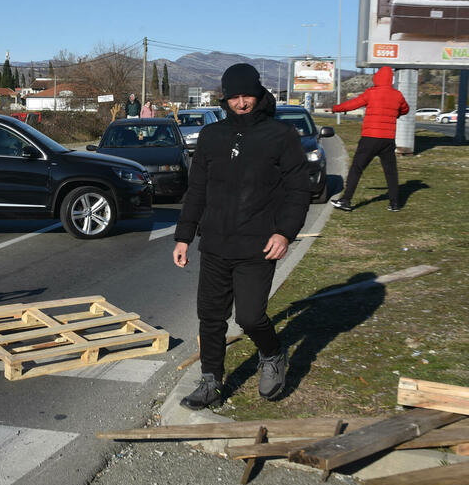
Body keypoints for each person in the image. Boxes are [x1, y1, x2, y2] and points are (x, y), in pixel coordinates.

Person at [172, 63, 311, 410]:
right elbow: (197, 190)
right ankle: (210, 382)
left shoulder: (281, 136)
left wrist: (284, 233)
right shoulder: (211, 136)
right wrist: (183, 236)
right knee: (211, 316)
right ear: (225, 98)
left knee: (249, 317)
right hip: (217, 243)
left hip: (258, 244)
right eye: (234, 96)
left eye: (247, 95)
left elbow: (298, 189)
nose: (242, 102)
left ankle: (272, 353)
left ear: (259, 94)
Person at [329, 66, 409, 212]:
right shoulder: (397, 95)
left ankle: (346, 200)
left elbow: (353, 104)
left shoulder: (371, 93)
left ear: (377, 78)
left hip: (370, 138)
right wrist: (395, 113)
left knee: (357, 168)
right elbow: (405, 109)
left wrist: (336, 108)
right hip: (388, 140)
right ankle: (395, 203)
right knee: (390, 172)